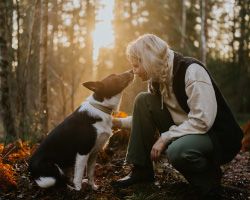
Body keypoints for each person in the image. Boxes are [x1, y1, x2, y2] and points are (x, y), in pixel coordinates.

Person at [112, 34, 243, 199]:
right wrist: (117, 122)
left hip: (215, 134)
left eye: (137, 66)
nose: (135, 72)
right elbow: (144, 119)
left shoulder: (192, 71)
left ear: (148, 61)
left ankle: (209, 182)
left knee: (178, 151)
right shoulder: (157, 77)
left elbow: (203, 121)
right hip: (185, 129)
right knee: (143, 100)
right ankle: (141, 170)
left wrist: (166, 137)